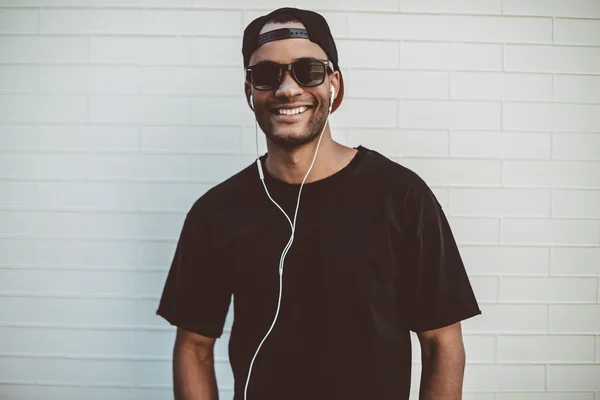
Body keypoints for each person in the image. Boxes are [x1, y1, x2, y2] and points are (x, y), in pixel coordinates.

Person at [156, 7, 481, 400]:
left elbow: (441, 342)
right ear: (249, 91)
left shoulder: (402, 196)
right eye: (266, 74)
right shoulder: (215, 213)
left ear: (335, 85)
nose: (287, 89)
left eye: (307, 70)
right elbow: (193, 347)